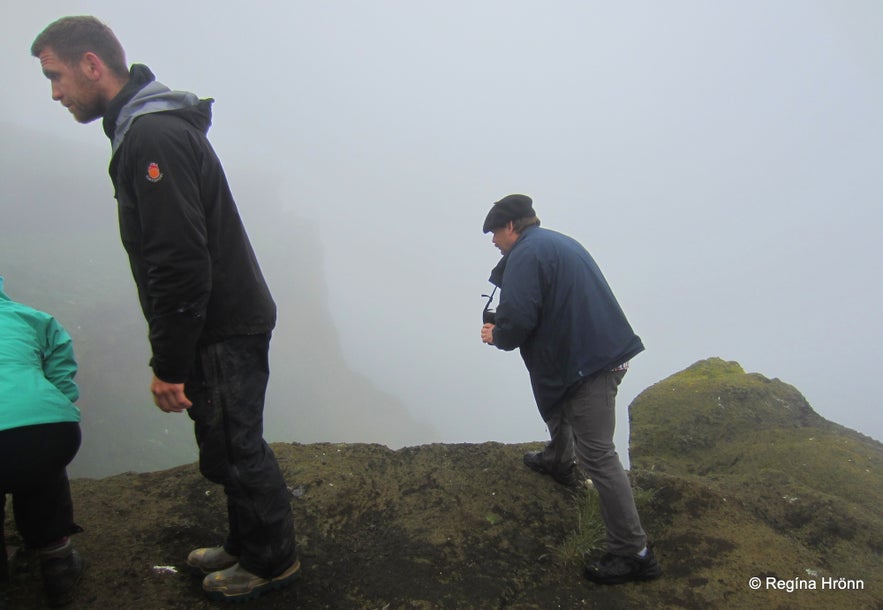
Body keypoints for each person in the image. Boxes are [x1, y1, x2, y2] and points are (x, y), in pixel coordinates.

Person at [31, 16, 299, 602]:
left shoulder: (151, 136)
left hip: (221, 323)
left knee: (237, 445)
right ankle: (245, 540)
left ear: (91, 65)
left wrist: (169, 363)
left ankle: (271, 559)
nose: (54, 92)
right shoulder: (143, 129)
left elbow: (178, 260)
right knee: (223, 441)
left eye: (55, 77)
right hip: (218, 320)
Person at [479, 194, 661, 585]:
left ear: (511, 227)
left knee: (598, 456)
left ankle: (635, 553)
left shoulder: (528, 254)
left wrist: (498, 333)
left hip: (591, 362)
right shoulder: (555, 242)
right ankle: (559, 460)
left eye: (494, 232)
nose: (492, 240)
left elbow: (521, 317)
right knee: (561, 402)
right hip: (591, 353)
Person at [0, 277, 84, 607]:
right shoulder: (32, 318)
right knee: (39, 466)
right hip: (50, 429)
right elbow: (61, 375)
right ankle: (58, 562)